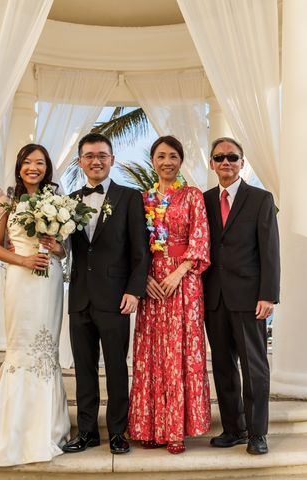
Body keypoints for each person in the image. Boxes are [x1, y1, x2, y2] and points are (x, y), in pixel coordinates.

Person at [0, 144, 70, 466]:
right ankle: (11, 424)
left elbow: (64, 252)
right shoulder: (7, 198)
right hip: (20, 279)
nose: (33, 168)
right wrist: (24, 259)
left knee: (46, 348)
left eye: (40, 163)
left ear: (47, 168)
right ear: (19, 165)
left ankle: (48, 425)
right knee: (21, 345)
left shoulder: (58, 198)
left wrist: (56, 248)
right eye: (28, 162)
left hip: (50, 279)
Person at [62, 133, 149, 455]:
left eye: (102, 155)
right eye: (89, 156)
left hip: (115, 297)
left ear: (112, 160)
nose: (95, 161)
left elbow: (141, 251)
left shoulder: (130, 198)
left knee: (115, 368)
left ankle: (117, 432)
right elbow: (65, 249)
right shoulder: (68, 201)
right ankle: (86, 432)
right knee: (83, 370)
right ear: (80, 161)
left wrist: (134, 291)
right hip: (79, 298)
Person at [128, 136, 211, 454]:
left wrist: (179, 272)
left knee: (179, 352)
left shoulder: (192, 196)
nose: (167, 161)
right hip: (151, 285)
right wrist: (144, 277)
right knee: (152, 353)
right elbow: (135, 245)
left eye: (173, 156)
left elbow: (200, 238)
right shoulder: (142, 199)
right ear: (152, 160)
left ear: (180, 160)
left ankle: (176, 429)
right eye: (161, 156)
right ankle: (150, 426)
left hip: (185, 282)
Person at [202, 137, 280, 455]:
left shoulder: (260, 199)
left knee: (254, 368)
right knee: (222, 365)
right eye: (220, 157)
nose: (226, 162)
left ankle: (257, 433)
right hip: (214, 297)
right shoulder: (203, 200)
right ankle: (233, 428)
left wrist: (268, 295)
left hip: (250, 297)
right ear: (212, 163)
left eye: (232, 157)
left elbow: (270, 251)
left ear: (241, 162)